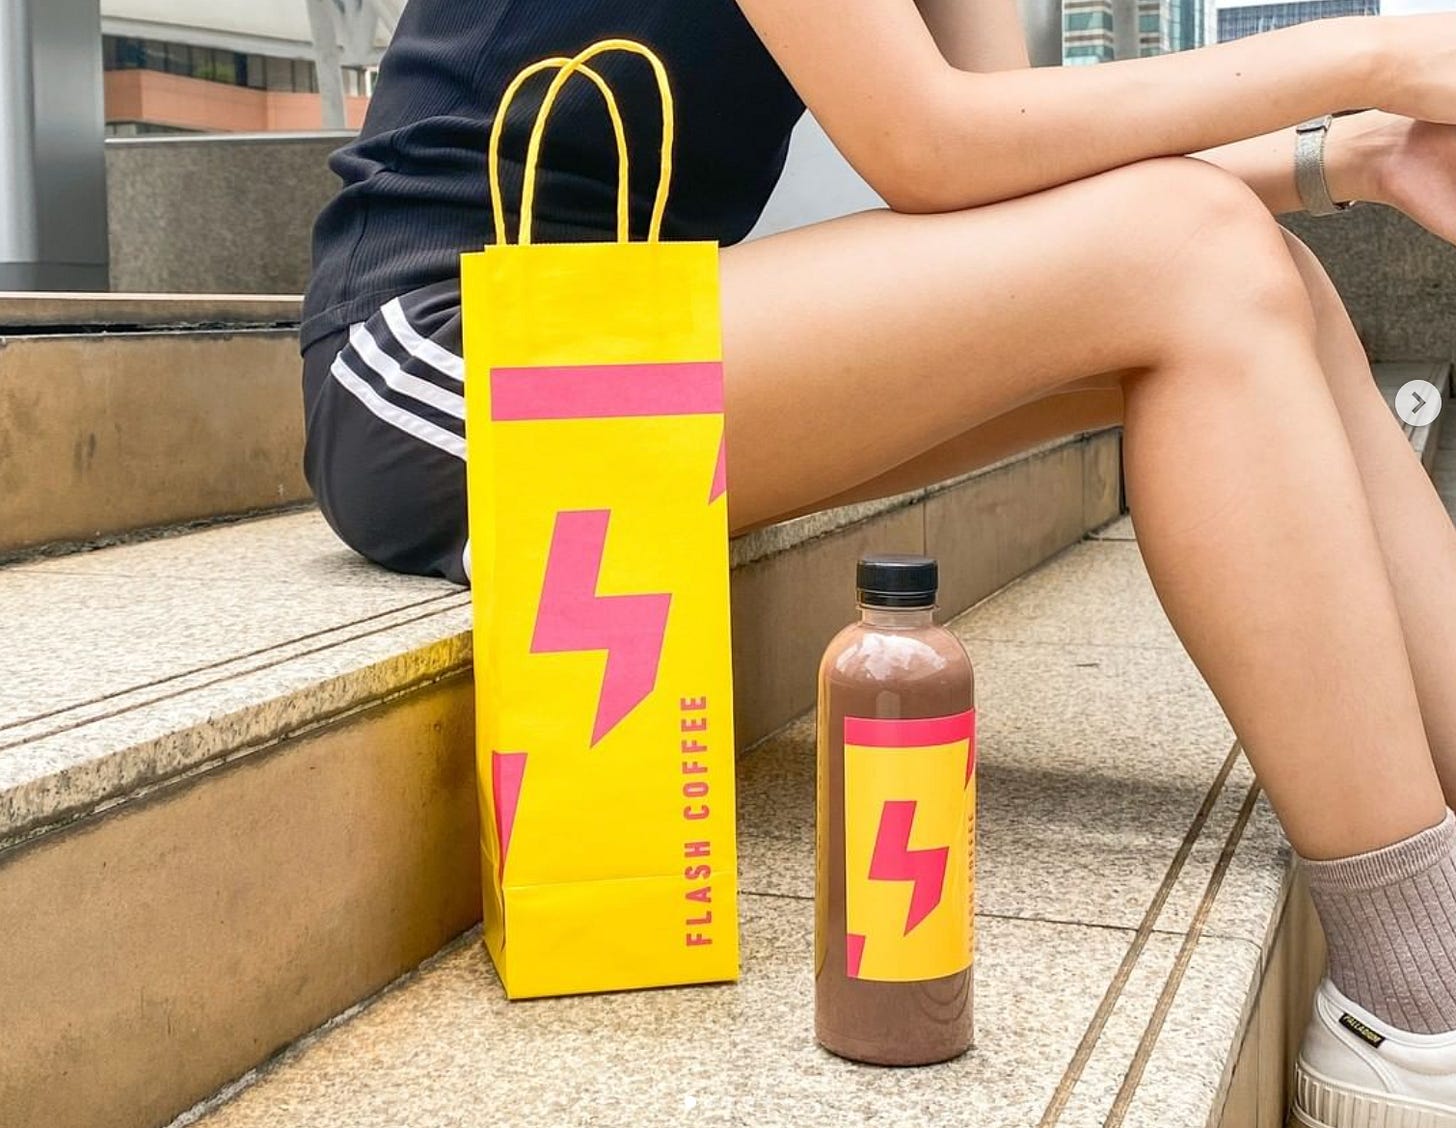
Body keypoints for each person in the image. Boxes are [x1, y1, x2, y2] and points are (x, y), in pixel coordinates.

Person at [301, 2, 1456, 1121]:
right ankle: (1411, 1008)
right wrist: (1369, 55)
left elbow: (1029, 163)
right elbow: (929, 145)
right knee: (1197, 250)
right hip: (445, 358)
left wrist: (1344, 155)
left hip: (631, 344)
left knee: (1269, 280)